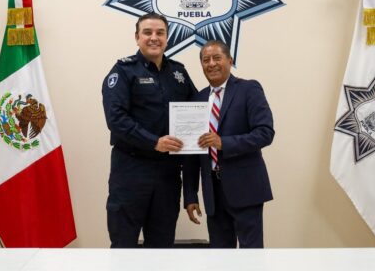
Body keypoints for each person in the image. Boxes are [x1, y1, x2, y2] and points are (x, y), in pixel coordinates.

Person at [102, 13, 197, 248]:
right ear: (137, 37)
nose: (154, 37)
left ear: (167, 38)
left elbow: (197, 114)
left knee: (162, 248)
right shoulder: (123, 71)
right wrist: (154, 142)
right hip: (131, 172)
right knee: (123, 246)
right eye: (147, 32)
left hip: (168, 175)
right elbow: (116, 119)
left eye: (160, 33)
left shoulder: (179, 73)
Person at [183, 40, 274, 248]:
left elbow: (265, 133)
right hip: (212, 193)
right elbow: (191, 155)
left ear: (230, 61)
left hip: (246, 189)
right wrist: (190, 195)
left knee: (251, 256)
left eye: (217, 58)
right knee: (220, 258)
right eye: (206, 60)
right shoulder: (197, 100)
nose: (211, 64)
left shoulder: (249, 89)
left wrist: (223, 143)